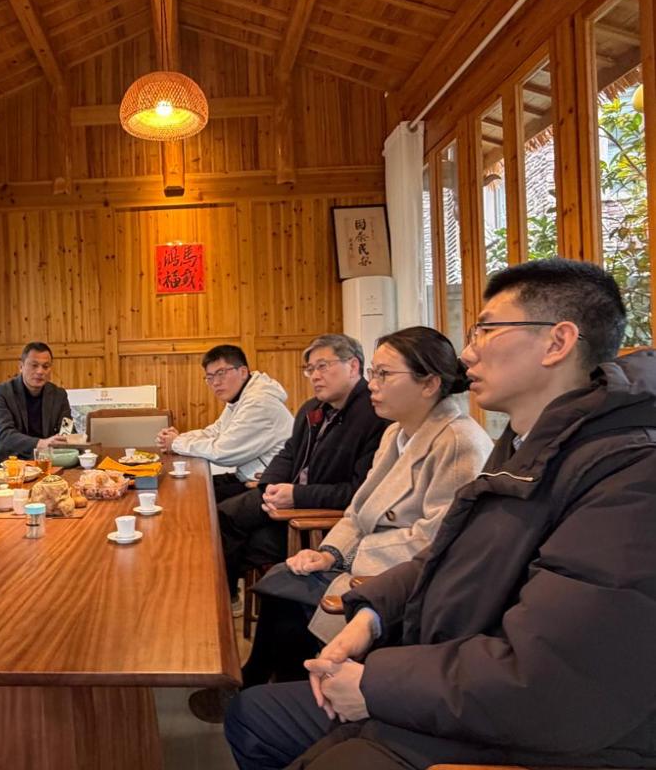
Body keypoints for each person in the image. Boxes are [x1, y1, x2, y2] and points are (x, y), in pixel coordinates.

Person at [225, 258, 656, 770]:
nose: (468, 352)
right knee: (255, 711)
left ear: (557, 342)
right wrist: (373, 612)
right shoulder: (526, 444)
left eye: (486, 330)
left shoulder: (629, 475)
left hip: (520, 731)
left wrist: (375, 684)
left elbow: (548, 677)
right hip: (442, 667)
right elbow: (446, 552)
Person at [223, 327, 491, 709]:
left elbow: (434, 542)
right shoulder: (395, 434)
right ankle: (269, 686)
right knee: (281, 580)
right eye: (372, 374)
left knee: (287, 594)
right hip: (363, 558)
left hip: (396, 579)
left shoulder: (459, 442)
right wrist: (328, 553)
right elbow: (358, 509)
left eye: (384, 374)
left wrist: (347, 558)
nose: (373, 385)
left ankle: (285, 694)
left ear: (430, 383)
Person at [217, 334, 388, 607]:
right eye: (310, 369)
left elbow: (358, 493)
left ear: (353, 366)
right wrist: (270, 486)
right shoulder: (312, 408)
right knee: (222, 514)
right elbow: (288, 453)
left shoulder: (374, 415)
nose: (315, 376)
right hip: (288, 502)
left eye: (323, 366)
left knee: (244, 538)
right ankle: (224, 600)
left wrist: (297, 496)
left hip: (320, 519)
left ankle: (226, 602)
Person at [156, 345, 294, 502]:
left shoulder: (259, 402)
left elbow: (223, 452)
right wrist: (179, 438)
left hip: (270, 487)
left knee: (198, 504)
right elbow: (215, 431)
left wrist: (176, 443)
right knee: (187, 488)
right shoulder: (240, 398)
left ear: (243, 372)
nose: (215, 382)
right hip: (248, 478)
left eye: (221, 373)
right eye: (209, 377)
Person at [0, 341, 72, 470]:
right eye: (34, 365)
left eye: (45, 366)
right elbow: (5, 434)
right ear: (21, 367)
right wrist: (41, 443)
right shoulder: (0, 393)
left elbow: (67, 427)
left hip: (45, 464)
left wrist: (68, 439)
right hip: (7, 465)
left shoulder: (59, 395)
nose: (40, 371)